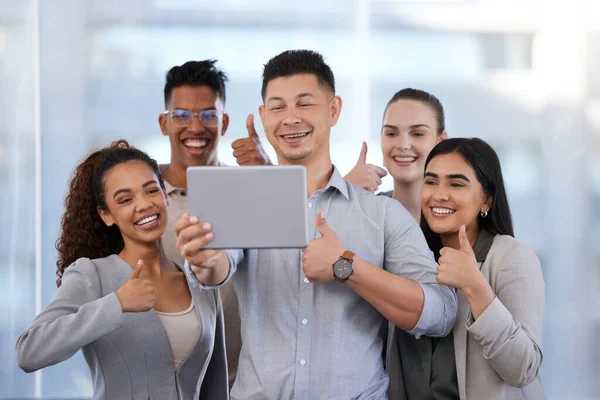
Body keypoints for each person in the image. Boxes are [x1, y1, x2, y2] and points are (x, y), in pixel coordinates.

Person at [174, 49, 458, 400]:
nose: (290, 119)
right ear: (263, 117)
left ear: (334, 110)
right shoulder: (245, 201)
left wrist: (347, 267)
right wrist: (204, 259)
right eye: (277, 107)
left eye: (304, 104)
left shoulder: (382, 214)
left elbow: (440, 312)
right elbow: (217, 265)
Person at [15, 140, 228, 399]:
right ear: (107, 215)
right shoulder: (92, 275)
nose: (144, 205)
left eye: (151, 191)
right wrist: (116, 304)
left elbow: (216, 385)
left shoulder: (199, 280)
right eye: (125, 199)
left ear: (164, 194)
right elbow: (29, 352)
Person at [158, 60, 270, 388]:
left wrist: (267, 174)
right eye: (181, 115)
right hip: (164, 385)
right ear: (164, 123)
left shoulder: (248, 188)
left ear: (224, 122)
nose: (195, 127)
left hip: (238, 384)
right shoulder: (143, 199)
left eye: (208, 114)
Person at [419, 137, 546, 399]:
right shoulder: (416, 260)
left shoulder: (512, 257)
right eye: (431, 181)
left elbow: (524, 368)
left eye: (456, 184)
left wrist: (475, 287)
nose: (439, 194)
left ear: (486, 200)